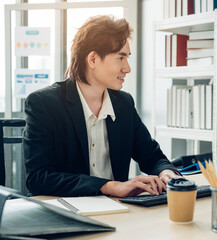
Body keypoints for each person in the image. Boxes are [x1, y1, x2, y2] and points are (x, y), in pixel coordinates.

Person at [23, 15, 180, 197]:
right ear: (93, 59)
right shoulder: (43, 103)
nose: (127, 68)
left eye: (127, 58)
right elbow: (38, 178)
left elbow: (152, 156)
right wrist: (108, 186)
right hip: (66, 211)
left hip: (118, 210)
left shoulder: (124, 103)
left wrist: (166, 173)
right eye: (120, 58)